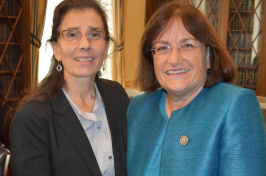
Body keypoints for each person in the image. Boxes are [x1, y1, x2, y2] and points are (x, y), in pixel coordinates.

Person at [127, 1, 266, 176]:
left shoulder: (235, 106)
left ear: (208, 56)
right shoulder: (138, 108)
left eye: (188, 45)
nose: (175, 58)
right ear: (151, 58)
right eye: (163, 47)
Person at [9, 0, 129, 175]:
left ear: (106, 48)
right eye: (72, 34)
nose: (85, 44)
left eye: (94, 34)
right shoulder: (31, 119)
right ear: (56, 49)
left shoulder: (117, 95)